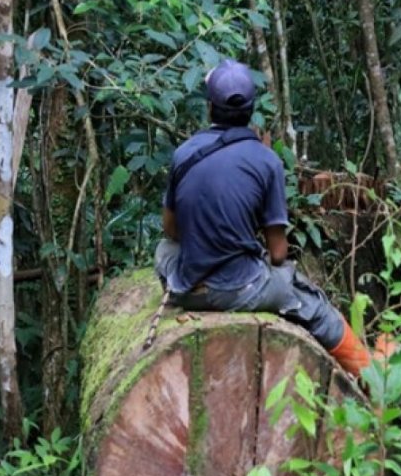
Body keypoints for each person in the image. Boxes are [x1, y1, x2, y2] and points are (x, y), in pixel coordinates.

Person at [154, 59, 387, 376]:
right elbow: (278, 253)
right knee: (312, 304)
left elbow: (171, 230)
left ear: (210, 108)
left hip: (187, 288)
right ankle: (371, 375)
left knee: (164, 251)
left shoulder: (184, 153)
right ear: (251, 112)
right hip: (239, 289)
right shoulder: (266, 161)